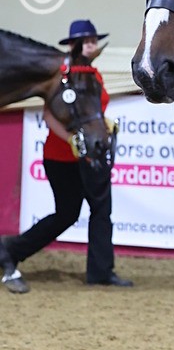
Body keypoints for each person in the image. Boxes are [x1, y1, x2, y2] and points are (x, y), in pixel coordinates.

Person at [1, 19, 132, 294]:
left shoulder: (93, 76)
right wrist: (72, 140)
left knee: (100, 211)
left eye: (94, 40)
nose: (92, 45)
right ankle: (13, 248)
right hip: (62, 156)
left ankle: (100, 271)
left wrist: (104, 126)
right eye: (86, 41)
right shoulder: (61, 75)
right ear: (73, 46)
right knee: (68, 213)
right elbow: (50, 115)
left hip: (89, 157)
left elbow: (90, 115)